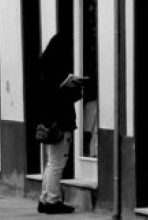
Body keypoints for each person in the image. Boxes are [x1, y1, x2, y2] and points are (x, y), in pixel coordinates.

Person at [36, 33, 85, 215]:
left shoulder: (43, 72)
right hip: (61, 122)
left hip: (49, 121)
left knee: (51, 162)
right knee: (58, 162)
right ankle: (53, 201)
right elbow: (63, 98)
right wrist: (74, 87)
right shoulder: (56, 74)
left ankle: (44, 198)